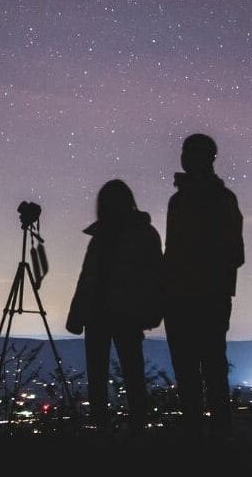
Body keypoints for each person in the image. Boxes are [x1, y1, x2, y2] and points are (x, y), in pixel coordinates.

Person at [162, 133, 244, 440]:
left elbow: (234, 253)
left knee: (203, 369)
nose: (184, 158)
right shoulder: (186, 200)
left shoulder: (211, 200)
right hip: (198, 297)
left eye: (189, 153)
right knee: (203, 369)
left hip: (200, 297)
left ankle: (207, 437)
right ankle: (207, 437)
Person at [66, 179, 163, 433]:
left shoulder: (121, 235)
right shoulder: (137, 234)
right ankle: (125, 430)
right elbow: (88, 277)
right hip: (112, 314)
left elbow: (88, 278)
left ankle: (121, 431)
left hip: (117, 314)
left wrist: (77, 314)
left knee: (117, 375)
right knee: (125, 374)